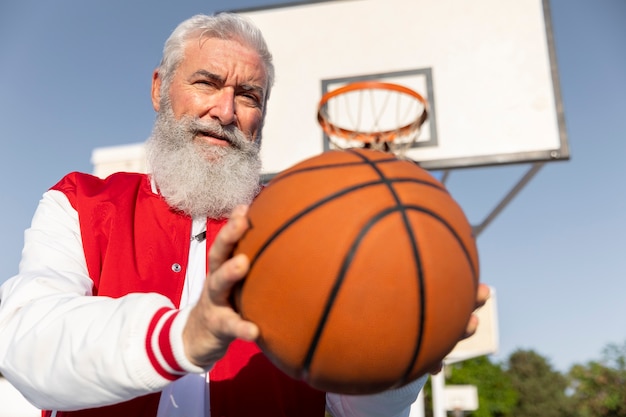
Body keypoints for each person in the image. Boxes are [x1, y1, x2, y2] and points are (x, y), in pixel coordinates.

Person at [0, 12, 489, 417]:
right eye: (206, 83)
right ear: (159, 89)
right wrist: (183, 336)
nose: (225, 110)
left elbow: (353, 410)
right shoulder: (81, 204)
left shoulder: (301, 226)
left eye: (248, 96)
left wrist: (400, 356)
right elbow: (26, 340)